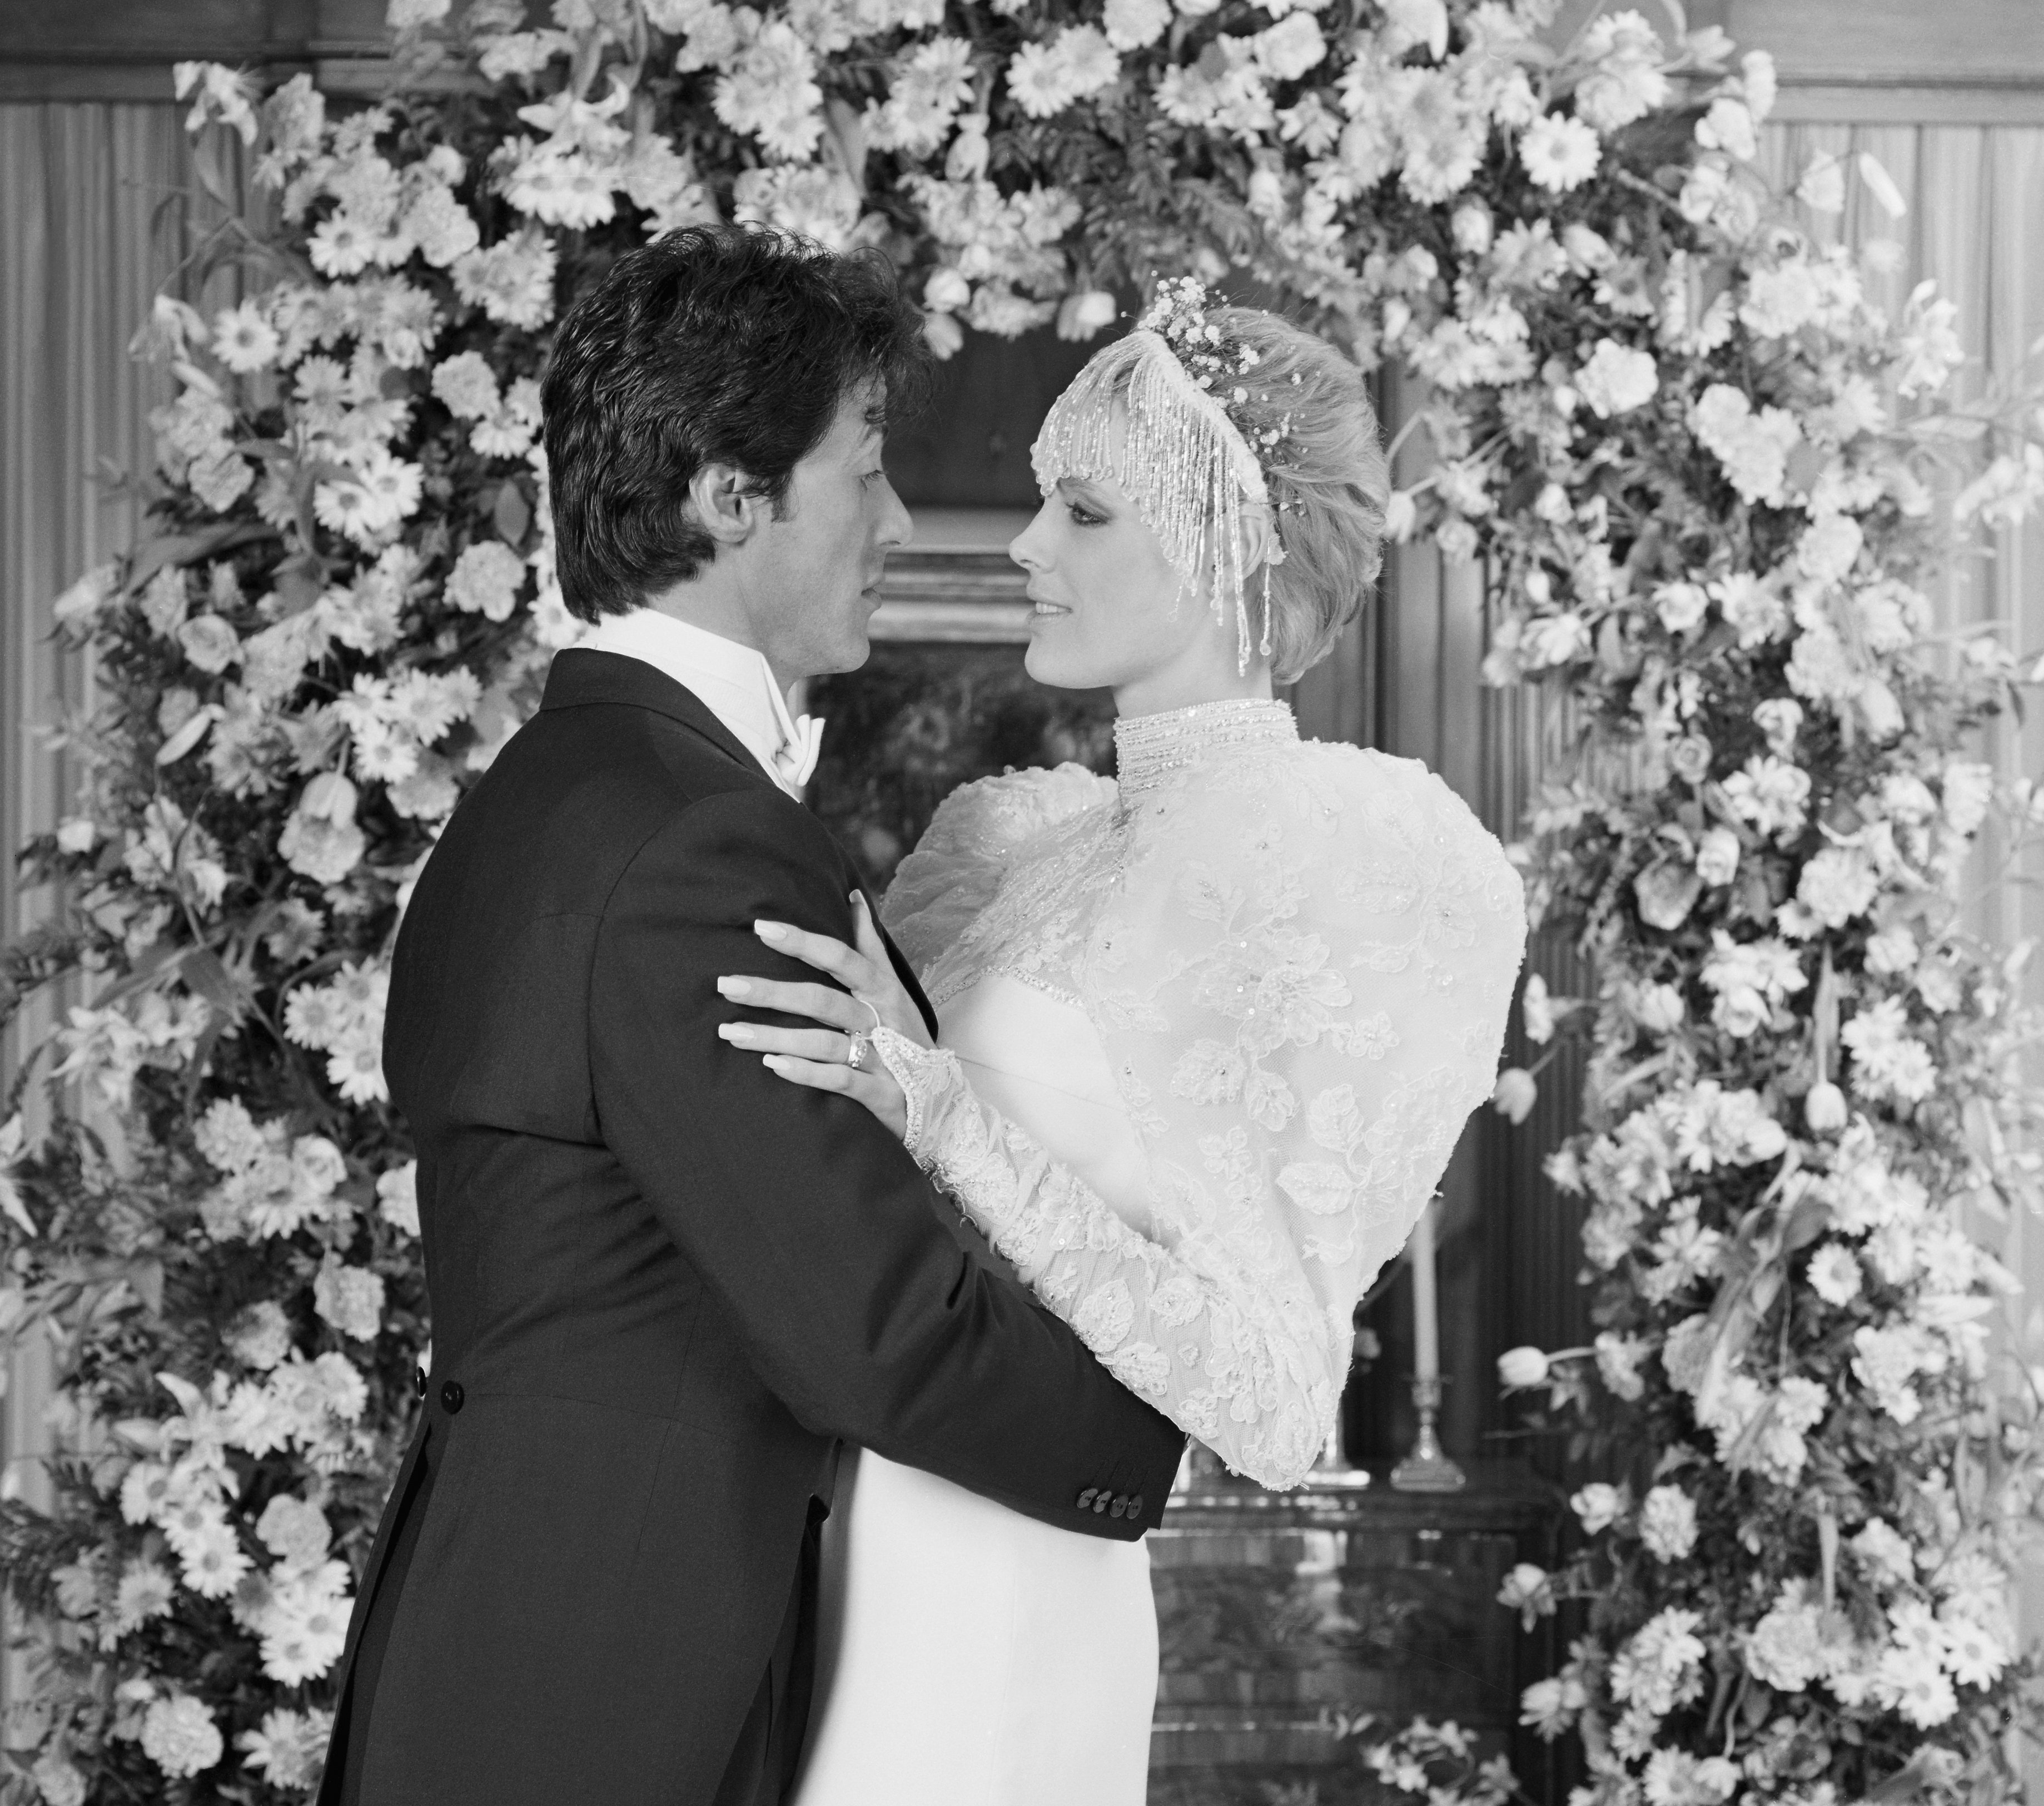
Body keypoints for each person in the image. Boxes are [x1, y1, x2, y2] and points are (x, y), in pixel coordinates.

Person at [314, 227, 1185, 1806]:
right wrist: (1154, 1429)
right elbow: (874, 1329)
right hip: (604, 1700)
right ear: (732, 495)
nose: (900, 520)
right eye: (864, 472)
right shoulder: (688, 840)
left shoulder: (556, 787)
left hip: (516, 1645)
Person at [715, 280, 1529, 1803]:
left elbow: (1274, 1401)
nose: (1026, 547)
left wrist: (950, 1116)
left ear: (1236, 543)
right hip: (831, 1539)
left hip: (1011, 1582)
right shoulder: (1015, 838)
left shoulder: (1331, 859)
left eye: (1082, 512)